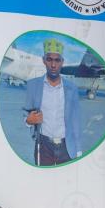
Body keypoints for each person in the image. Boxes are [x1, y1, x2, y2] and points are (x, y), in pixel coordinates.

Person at [23, 37, 82, 165]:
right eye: (49, 59)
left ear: (62, 62)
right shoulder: (33, 85)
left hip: (67, 147)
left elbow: (75, 120)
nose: (53, 65)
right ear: (44, 60)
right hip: (43, 146)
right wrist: (28, 120)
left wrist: (78, 149)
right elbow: (25, 113)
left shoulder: (72, 88)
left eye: (57, 60)